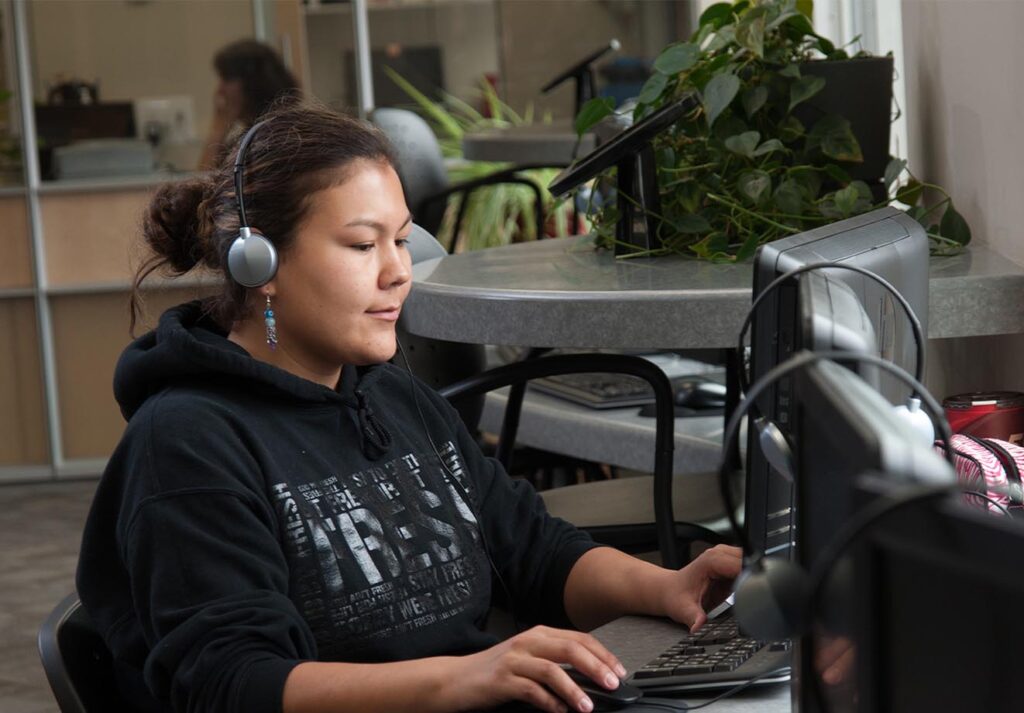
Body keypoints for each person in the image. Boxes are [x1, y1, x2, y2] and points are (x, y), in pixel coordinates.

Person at [77, 103, 742, 713]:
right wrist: (465, 675)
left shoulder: (392, 393)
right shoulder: (187, 441)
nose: (398, 270)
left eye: (402, 239)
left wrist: (667, 586)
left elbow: (533, 550)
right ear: (261, 265)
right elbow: (232, 682)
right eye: (364, 245)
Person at [198, 38, 300, 170]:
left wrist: (219, 127)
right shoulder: (249, 137)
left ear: (252, 83)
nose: (220, 90)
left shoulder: (277, 139)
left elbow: (204, 184)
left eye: (227, 79)